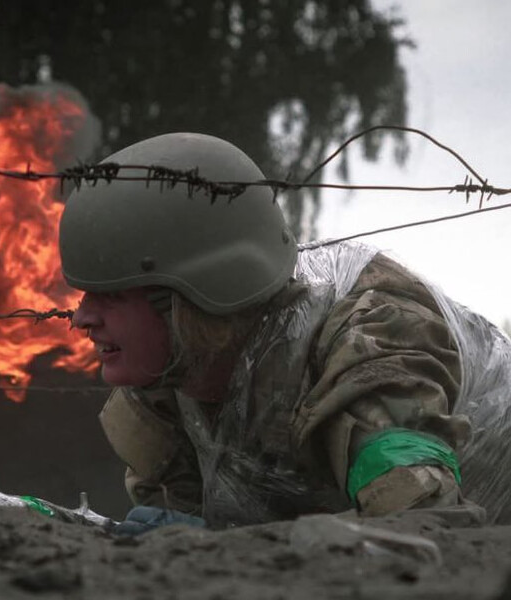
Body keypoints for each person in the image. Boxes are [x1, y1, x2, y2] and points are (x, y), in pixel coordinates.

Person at [58, 132, 511, 530]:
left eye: (111, 296)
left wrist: (233, 549)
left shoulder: (373, 345)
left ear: (192, 297)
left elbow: (422, 522)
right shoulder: (168, 378)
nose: (81, 319)